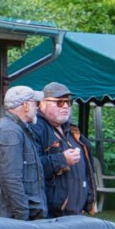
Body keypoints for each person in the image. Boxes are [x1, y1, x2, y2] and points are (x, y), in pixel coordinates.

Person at [0, 85, 46, 221]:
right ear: (26, 105)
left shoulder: (13, 128)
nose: (38, 108)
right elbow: (11, 178)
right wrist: (22, 215)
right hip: (11, 218)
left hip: (12, 216)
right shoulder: (9, 131)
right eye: (36, 104)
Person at [31, 81, 95, 217]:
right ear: (42, 104)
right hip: (51, 215)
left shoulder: (73, 132)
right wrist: (62, 160)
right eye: (60, 102)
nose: (65, 106)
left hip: (76, 213)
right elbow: (30, 168)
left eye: (68, 102)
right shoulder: (35, 129)